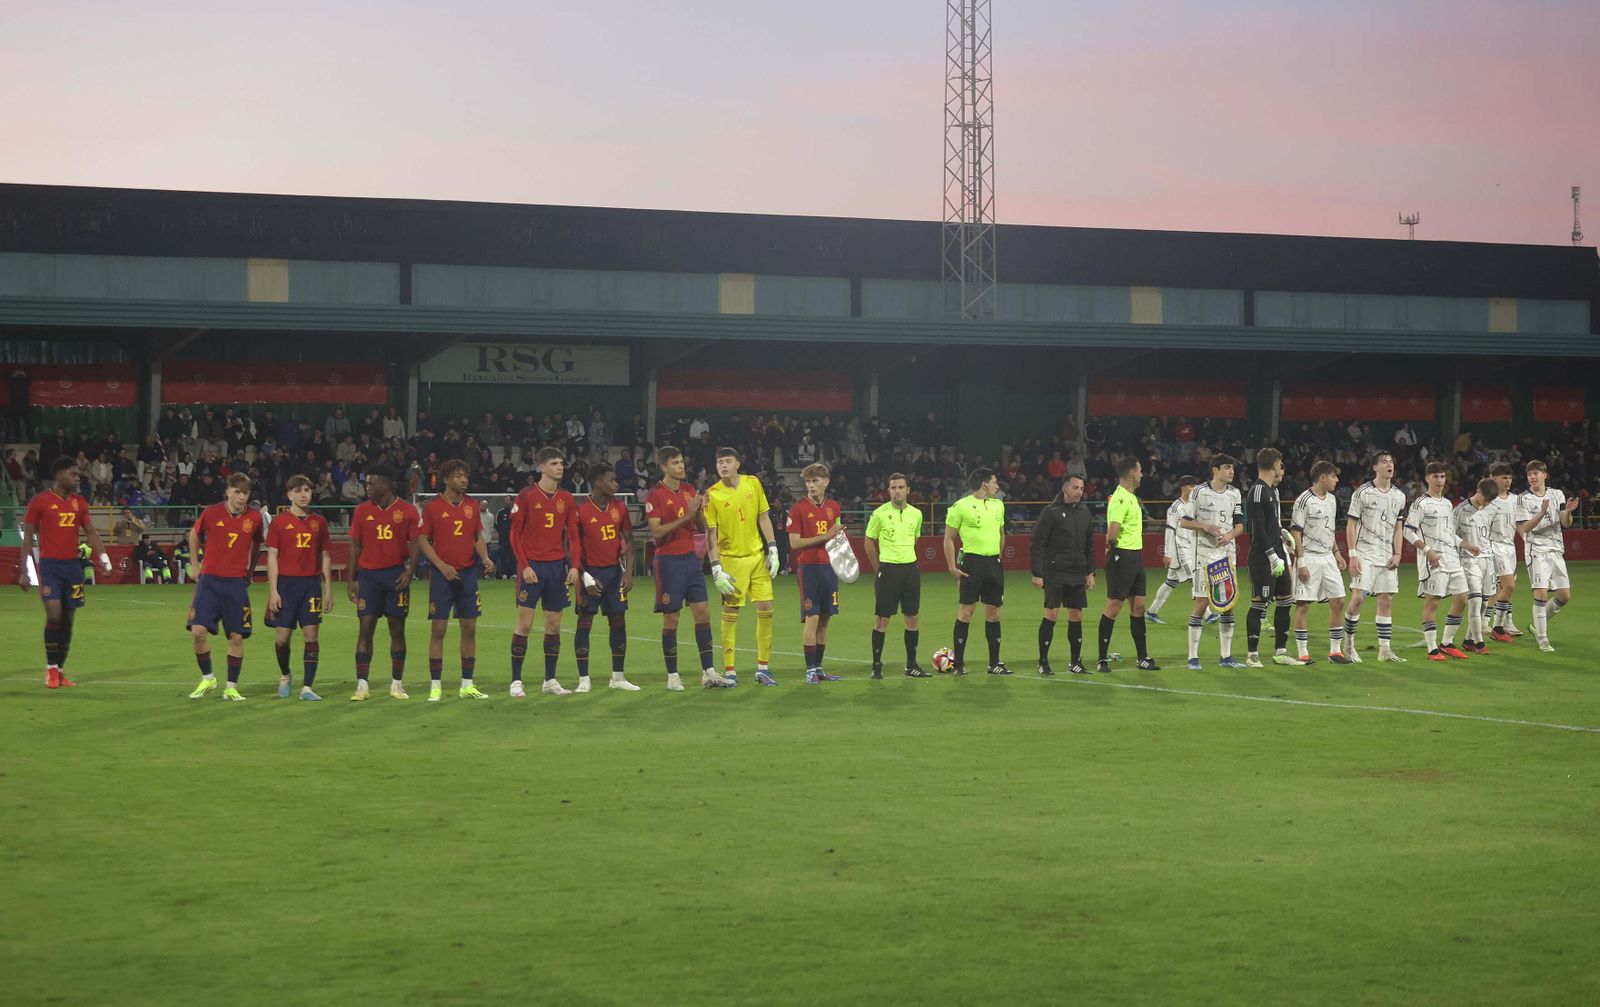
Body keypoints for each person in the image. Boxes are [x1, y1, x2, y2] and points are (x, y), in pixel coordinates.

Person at [19, 456, 112, 688]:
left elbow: (91, 532)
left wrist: (103, 557)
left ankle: (60, 670)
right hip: (50, 566)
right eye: (73, 474)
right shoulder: (40, 502)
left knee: (69, 618)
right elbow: (28, 537)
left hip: (73, 567)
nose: (77, 477)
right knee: (54, 614)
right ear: (59, 475)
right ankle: (50, 669)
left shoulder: (79, 503)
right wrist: (25, 569)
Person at [644, 446, 727, 690]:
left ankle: (709, 672)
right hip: (668, 562)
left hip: (690, 560)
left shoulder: (690, 490)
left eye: (682, 462)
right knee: (672, 619)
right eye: (676, 463)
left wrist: (700, 509)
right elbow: (656, 532)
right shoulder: (655, 495)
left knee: (703, 614)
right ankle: (672, 676)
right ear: (664, 467)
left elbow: (701, 526)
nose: (681, 466)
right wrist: (687, 514)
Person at [418, 459, 495, 701]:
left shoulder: (472, 505)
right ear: (446, 479)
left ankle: (467, 684)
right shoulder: (433, 507)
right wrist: (440, 565)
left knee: (469, 628)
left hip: (468, 574)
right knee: (438, 628)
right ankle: (436, 685)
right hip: (442, 577)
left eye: (466, 476)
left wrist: (485, 557)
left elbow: (476, 536)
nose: (464, 480)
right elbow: (422, 540)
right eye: (459, 476)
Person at [704, 448, 781, 686]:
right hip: (731, 560)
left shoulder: (753, 483)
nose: (723, 466)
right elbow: (710, 534)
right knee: (731, 612)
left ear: (738, 463)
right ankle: (730, 670)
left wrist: (773, 548)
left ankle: (763, 668)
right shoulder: (712, 495)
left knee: (767, 607)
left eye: (728, 461)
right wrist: (716, 567)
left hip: (757, 556)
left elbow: (764, 517)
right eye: (719, 462)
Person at [185, 473, 264, 701]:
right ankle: (208, 677)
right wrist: (195, 564)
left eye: (246, 493)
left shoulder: (255, 518)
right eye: (238, 492)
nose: (242, 497)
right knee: (198, 632)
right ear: (228, 491)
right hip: (209, 581)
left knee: (236, 636)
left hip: (236, 584)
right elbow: (193, 534)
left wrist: (249, 572)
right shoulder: (212, 512)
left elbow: (258, 543)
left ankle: (231, 686)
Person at [346, 463, 421, 701]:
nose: (367, 487)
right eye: (366, 483)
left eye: (371, 483)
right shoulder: (361, 511)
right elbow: (355, 545)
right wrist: (351, 578)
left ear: (386, 484)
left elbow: (416, 543)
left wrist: (410, 571)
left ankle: (397, 684)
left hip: (395, 575)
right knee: (365, 627)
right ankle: (362, 685)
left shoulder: (407, 511)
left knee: (397, 629)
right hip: (369, 577)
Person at [509, 448, 581, 696]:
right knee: (525, 624)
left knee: (554, 625)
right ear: (542, 467)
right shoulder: (527, 496)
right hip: (532, 567)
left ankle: (550, 680)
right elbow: (514, 535)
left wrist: (574, 566)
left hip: (556, 567)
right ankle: (516, 680)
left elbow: (573, 536)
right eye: (554, 463)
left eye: (561, 463)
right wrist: (524, 565)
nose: (560, 467)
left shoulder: (567, 499)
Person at [265, 474, 333, 701]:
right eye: (299, 490)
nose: (304, 494)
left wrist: (328, 590)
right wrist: (273, 591)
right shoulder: (280, 522)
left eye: (307, 490)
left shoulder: (319, 522)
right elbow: (272, 557)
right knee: (282, 638)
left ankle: (307, 687)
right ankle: (285, 675)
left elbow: (325, 556)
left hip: (311, 585)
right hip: (286, 584)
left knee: (311, 634)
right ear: (290, 495)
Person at [572, 463, 640, 691]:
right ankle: (584, 679)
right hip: (590, 573)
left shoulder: (619, 508)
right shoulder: (580, 510)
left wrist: (628, 572)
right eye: (611, 480)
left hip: (613, 573)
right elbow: (569, 546)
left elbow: (629, 541)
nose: (616, 484)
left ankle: (618, 677)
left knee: (618, 622)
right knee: (584, 623)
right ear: (598, 482)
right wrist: (585, 577)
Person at [1180, 454, 1246, 670]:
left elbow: (1240, 525)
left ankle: (1226, 657)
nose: (1231, 471)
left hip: (1227, 556)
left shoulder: (1235, 493)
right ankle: (1192, 657)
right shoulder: (1199, 491)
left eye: (1233, 468)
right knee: (1201, 603)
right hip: (1204, 557)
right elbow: (1185, 522)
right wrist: (1205, 527)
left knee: (1228, 606)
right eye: (1227, 467)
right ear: (1215, 470)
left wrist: (1230, 536)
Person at [1344, 451, 1408, 663]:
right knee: (1357, 599)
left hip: (1386, 555)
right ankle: (1349, 645)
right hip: (1365, 554)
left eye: (1391, 461)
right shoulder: (1363, 492)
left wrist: (1398, 553)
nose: (1389, 465)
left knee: (1386, 600)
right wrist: (1353, 555)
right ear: (1375, 467)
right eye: (1384, 462)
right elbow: (1351, 524)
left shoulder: (1399, 496)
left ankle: (1384, 650)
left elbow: (1399, 527)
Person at [944, 467, 1008, 675]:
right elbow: (949, 538)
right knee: (966, 611)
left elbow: (1001, 533)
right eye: (995, 482)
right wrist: (952, 566)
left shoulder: (998, 505)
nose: (997, 486)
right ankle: (959, 665)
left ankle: (995, 663)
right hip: (972, 563)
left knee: (994, 614)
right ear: (984, 484)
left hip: (993, 563)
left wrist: (998, 557)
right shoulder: (960, 506)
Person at [1406, 461, 1473, 661]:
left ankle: (1447, 643)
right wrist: (1427, 551)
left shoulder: (1446, 503)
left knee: (1462, 599)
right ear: (1427, 478)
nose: (1440, 480)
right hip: (1433, 561)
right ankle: (1432, 649)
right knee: (1432, 603)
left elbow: (1449, 534)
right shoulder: (1420, 503)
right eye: (1435, 476)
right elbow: (1408, 532)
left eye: (1442, 476)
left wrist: (1466, 545)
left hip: (1452, 559)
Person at [1029, 473, 1095, 675]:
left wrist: (1090, 572)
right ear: (1065, 489)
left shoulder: (1085, 513)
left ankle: (1075, 662)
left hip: (1076, 573)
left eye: (1082, 488)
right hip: (1055, 573)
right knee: (1052, 614)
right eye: (1076, 488)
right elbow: (1037, 543)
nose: (1079, 492)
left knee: (1076, 616)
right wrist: (1037, 573)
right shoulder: (1051, 512)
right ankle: (1043, 662)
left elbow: (1089, 545)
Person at [787, 463, 845, 684]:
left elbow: (837, 535)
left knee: (825, 620)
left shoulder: (834, 507)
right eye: (809, 482)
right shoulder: (798, 508)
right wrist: (826, 536)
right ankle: (810, 669)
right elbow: (794, 543)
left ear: (826, 482)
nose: (811, 485)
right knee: (812, 618)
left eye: (815, 481)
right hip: (809, 568)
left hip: (829, 568)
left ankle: (819, 668)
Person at [1099, 456, 1159, 673]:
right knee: (1114, 607)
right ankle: (1101, 659)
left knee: (1139, 607)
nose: (1142, 474)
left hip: (1135, 557)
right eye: (1140, 470)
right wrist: (1113, 549)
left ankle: (1142, 657)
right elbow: (1112, 532)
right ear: (1133, 473)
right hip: (1122, 556)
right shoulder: (1120, 498)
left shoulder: (1132, 497)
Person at [864, 472, 926, 678]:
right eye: (893, 488)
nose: (897, 491)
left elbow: (915, 539)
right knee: (882, 619)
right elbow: (869, 543)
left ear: (908, 490)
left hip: (910, 570)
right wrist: (879, 568)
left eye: (901, 487)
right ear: (888, 491)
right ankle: (876, 665)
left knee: (912, 617)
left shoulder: (916, 514)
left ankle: (911, 665)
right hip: (888, 569)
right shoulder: (879, 514)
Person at [1289, 461, 1351, 664]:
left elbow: (1329, 529)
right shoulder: (1304, 500)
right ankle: (1303, 652)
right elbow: (1296, 532)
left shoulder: (1332, 500)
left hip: (1328, 557)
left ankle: (1335, 652)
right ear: (1323, 477)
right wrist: (1302, 562)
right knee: (1304, 605)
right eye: (1334, 476)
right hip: (1310, 557)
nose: (1337, 480)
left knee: (1339, 601)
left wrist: (1337, 553)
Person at [1516, 459, 1578, 653]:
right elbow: (1524, 528)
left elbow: (1565, 523)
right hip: (1536, 550)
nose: (1533, 477)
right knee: (1541, 593)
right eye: (1530, 474)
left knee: (1564, 596)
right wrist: (1541, 513)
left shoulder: (1556, 494)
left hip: (1556, 549)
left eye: (1536, 473)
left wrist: (1567, 511)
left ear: (1545, 475)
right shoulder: (1523, 499)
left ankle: (1536, 626)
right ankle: (1543, 638)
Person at [1243, 448, 1297, 667]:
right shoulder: (1257, 490)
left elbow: (1270, 523)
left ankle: (1281, 652)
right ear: (1274, 464)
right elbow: (1257, 530)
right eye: (1280, 463)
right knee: (1259, 603)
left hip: (1279, 554)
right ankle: (1252, 655)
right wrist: (1271, 555)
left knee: (1286, 601)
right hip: (1263, 558)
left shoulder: (1272, 491)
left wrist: (1282, 533)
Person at [1454, 479, 1499, 655]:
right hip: (1468, 560)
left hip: (1487, 560)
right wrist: (1467, 546)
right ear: (1478, 491)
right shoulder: (1460, 510)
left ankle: (1469, 640)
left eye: (1490, 500)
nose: (1487, 503)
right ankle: (1480, 643)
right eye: (1485, 499)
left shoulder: (1490, 510)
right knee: (1475, 601)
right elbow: (1450, 534)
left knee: (1484, 602)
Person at [1485, 462, 1523, 640]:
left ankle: (1505, 621)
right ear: (1492, 478)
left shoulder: (1515, 500)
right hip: (1493, 546)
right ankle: (1496, 625)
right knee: (1505, 585)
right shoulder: (1487, 500)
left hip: (1510, 547)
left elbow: (1520, 524)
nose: (1508, 481)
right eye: (1503, 477)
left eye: (1509, 477)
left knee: (1506, 588)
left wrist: (1527, 539)